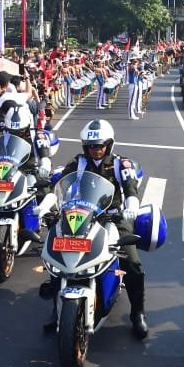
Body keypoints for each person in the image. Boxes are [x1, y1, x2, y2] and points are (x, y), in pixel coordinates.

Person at [50, 119, 149, 338]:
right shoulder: (79, 162)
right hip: (81, 215)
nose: (96, 150)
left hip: (113, 217)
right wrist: (50, 198)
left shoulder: (120, 163)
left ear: (109, 144)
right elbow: (61, 181)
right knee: (59, 252)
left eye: (100, 145)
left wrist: (132, 203)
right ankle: (55, 309)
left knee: (131, 262)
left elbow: (130, 184)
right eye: (91, 146)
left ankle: (138, 313)